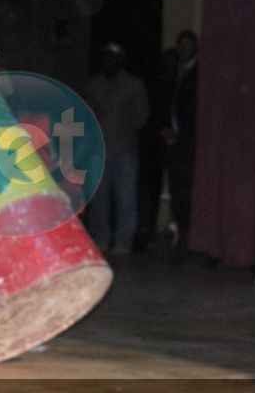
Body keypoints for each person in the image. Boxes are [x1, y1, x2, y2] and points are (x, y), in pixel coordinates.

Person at [84, 42, 150, 255]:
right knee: (99, 199)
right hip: (98, 151)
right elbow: (85, 113)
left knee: (125, 197)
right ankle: (101, 239)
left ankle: (123, 241)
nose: (108, 61)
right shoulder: (94, 84)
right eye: (106, 57)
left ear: (120, 61)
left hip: (125, 150)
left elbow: (142, 116)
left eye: (113, 58)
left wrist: (124, 126)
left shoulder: (133, 84)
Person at [160, 29, 199, 260]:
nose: (183, 49)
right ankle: (181, 234)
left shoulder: (199, 72)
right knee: (176, 189)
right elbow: (165, 101)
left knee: (189, 190)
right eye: (180, 44)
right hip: (172, 140)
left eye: (188, 44)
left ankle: (190, 238)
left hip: (191, 140)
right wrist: (165, 128)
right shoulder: (173, 69)